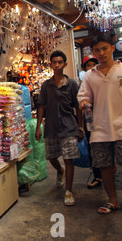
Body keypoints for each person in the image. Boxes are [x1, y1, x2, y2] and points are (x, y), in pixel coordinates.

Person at [77, 33, 122, 214]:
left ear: (112, 48)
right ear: (93, 52)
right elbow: (83, 97)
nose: (101, 53)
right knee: (105, 166)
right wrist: (84, 103)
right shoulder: (89, 75)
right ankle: (113, 200)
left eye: (104, 48)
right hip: (99, 128)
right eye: (97, 50)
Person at [36, 50, 83, 206]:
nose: (57, 65)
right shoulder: (46, 85)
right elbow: (41, 105)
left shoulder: (72, 85)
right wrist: (38, 127)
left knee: (69, 159)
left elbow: (78, 107)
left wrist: (81, 127)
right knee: (52, 157)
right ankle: (60, 171)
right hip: (51, 127)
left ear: (65, 64)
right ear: (50, 64)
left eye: (60, 62)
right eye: (54, 62)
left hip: (69, 127)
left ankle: (68, 191)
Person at [80, 55, 102, 189]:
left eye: (94, 64)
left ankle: (108, 169)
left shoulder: (102, 80)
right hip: (90, 119)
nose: (91, 67)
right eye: (89, 65)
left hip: (104, 118)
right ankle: (97, 175)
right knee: (92, 147)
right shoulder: (83, 83)